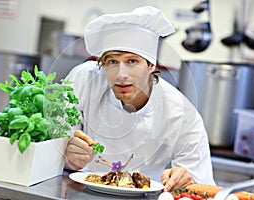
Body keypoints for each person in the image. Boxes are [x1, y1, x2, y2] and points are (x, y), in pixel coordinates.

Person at [64, 6, 215, 191]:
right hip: (80, 192)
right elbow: (52, 155)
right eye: (112, 61)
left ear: (151, 65)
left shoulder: (182, 115)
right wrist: (67, 157)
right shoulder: (83, 79)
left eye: (132, 61)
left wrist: (186, 179)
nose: (121, 75)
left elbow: (202, 186)